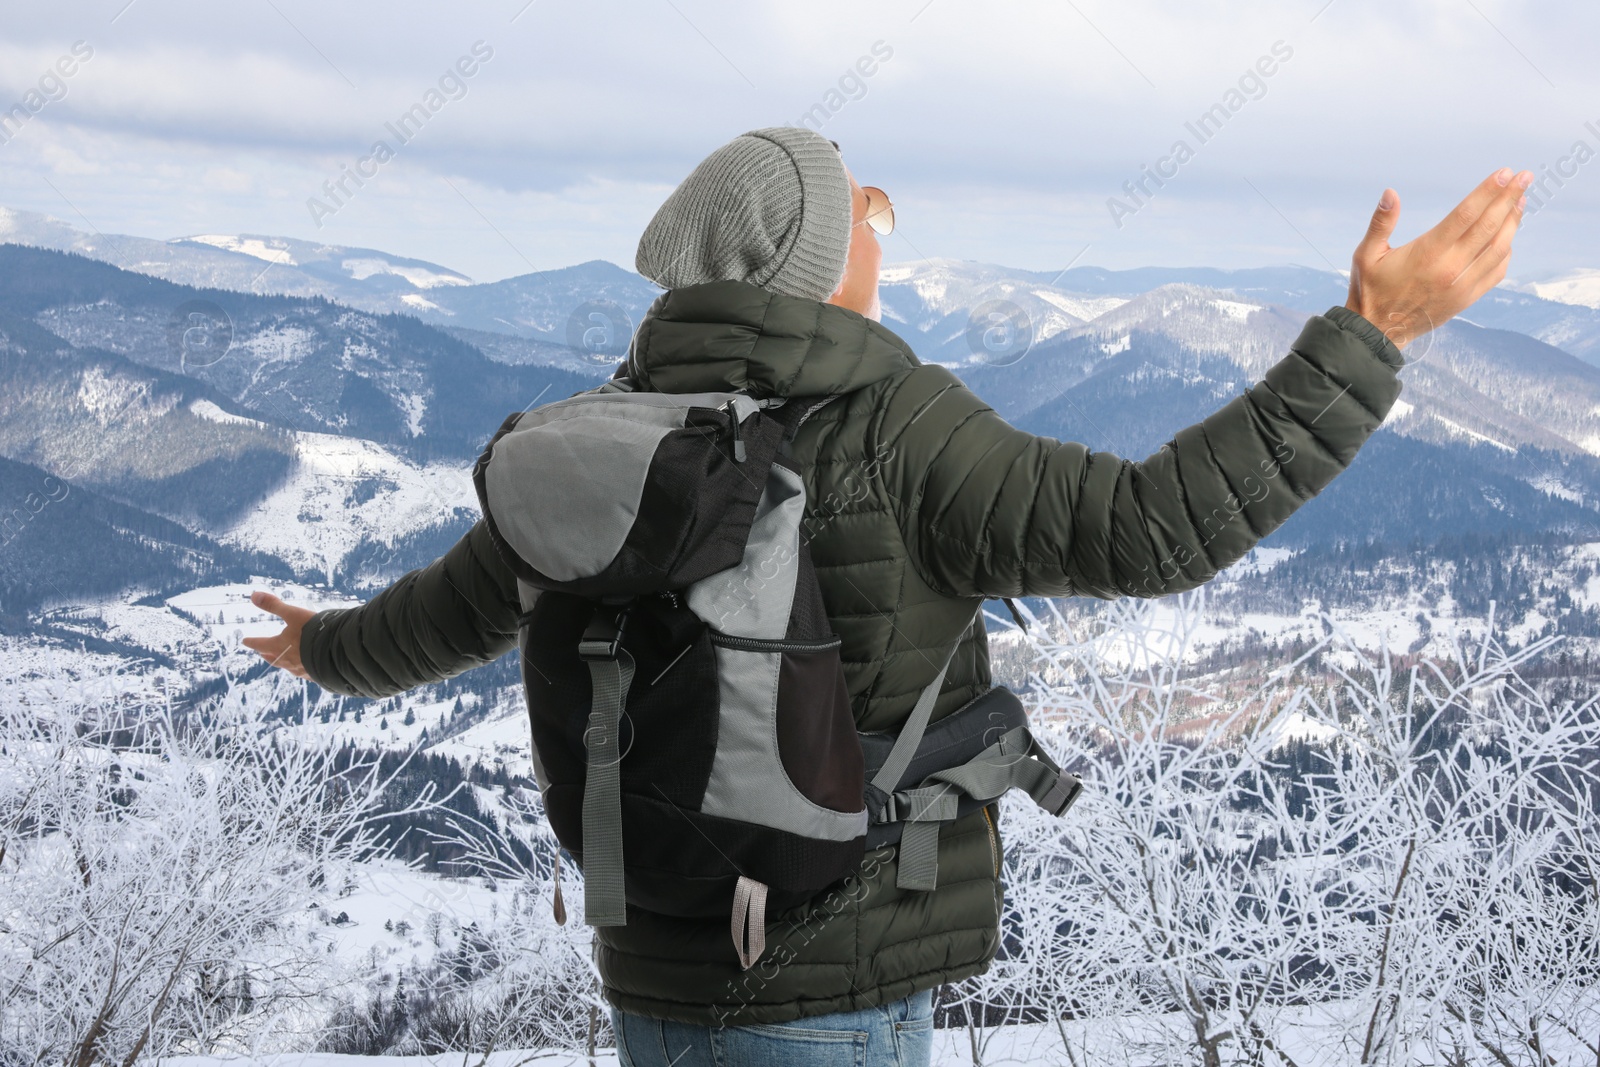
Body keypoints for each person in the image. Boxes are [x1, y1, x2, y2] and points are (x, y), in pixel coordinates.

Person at [246, 127, 1530, 1067]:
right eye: (860, 223)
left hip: (652, 977)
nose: (882, 242)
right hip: (831, 980)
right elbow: (1150, 530)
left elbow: (449, 611)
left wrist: (323, 646)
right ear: (810, 267)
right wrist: (1368, 336)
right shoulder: (896, 425)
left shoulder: (599, 438)